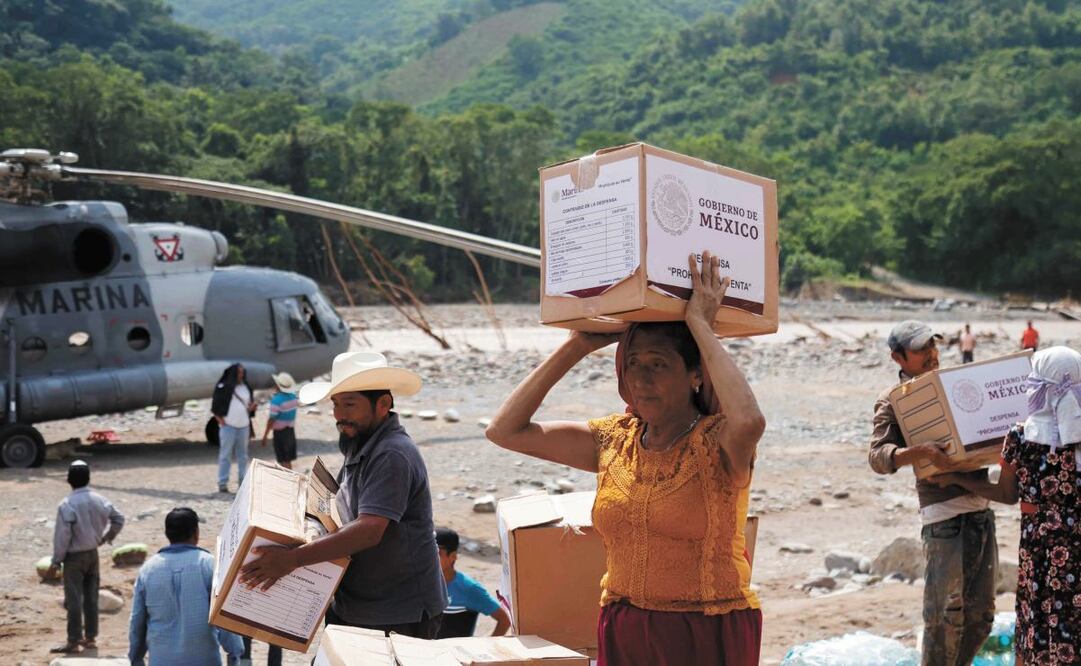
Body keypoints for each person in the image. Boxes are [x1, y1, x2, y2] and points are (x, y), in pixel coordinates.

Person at [486, 251, 765, 666]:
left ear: (695, 376)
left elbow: (750, 420)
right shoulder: (613, 441)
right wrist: (577, 346)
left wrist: (700, 326)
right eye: (634, 363)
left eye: (658, 364)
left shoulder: (717, 443)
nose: (641, 377)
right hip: (624, 623)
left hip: (706, 628)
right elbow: (504, 430)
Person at [238, 352, 447, 638]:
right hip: (357, 604)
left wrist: (290, 560)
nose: (339, 414)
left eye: (350, 404)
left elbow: (369, 530)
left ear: (383, 404)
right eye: (335, 404)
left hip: (397, 611)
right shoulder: (359, 443)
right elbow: (337, 507)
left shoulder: (392, 454)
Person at [934, 346, 1081, 662]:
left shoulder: (1021, 436)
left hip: (1040, 543)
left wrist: (958, 478)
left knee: (1037, 614)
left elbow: (1006, 493)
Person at [868, 320, 998, 665]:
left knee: (981, 616)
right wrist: (922, 452)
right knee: (943, 618)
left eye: (932, 346)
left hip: (982, 510)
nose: (931, 355)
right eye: (920, 349)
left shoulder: (956, 384)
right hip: (944, 520)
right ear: (897, 357)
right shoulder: (893, 401)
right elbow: (878, 458)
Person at [128, 507, 244, 666]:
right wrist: (234, 654)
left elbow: (137, 621)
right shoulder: (208, 565)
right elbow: (224, 616)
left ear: (167, 534)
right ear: (196, 533)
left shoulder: (148, 570)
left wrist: (136, 658)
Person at [48, 460, 125, 654]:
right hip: (93, 555)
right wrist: (107, 537)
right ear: (88, 478)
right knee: (91, 597)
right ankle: (90, 638)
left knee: (73, 600)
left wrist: (56, 561)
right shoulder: (99, 499)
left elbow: (63, 536)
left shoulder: (67, 504)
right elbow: (118, 518)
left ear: (69, 480)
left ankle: (73, 641)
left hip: (74, 558)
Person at [434, 527, 511, 638]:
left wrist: (487, 649)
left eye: (437, 553)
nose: (430, 558)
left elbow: (504, 620)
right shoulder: (421, 584)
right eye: (428, 551)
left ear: (453, 556)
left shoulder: (469, 589)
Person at [211, 363, 255, 493]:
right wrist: (221, 421)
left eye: (242, 372)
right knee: (225, 455)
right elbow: (215, 405)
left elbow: (248, 403)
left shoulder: (246, 387)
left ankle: (242, 482)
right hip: (228, 426)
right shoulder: (223, 387)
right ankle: (223, 483)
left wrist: (251, 408)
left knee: (243, 456)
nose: (241, 374)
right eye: (239, 372)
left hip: (244, 426)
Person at [261, 372, 299, 470]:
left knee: (282, 460)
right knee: (288, 460)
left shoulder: (276, 401)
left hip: (280, 433)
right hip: (290, 431)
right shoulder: (293, 398)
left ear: (278, 385)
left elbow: (271, 420)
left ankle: (286, 482)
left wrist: (265, 436)